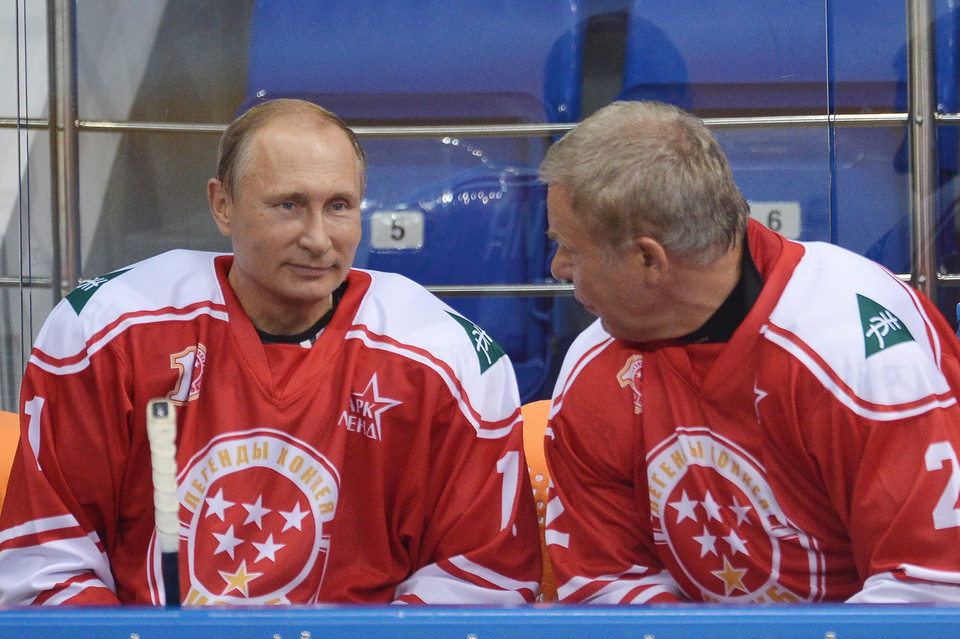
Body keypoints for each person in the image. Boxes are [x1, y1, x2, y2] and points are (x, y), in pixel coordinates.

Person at [0, 99, 541, 605]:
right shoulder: (107, 331)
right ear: (222, 205)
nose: (318, 238)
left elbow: (482, 580)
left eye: (338, 206)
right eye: (288, 205)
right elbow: (45, 567)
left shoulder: (448, 357)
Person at [539, 100, 960, 604]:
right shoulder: (596, 363)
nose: (557, 267)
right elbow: (605, 582)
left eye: (570, 247)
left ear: (649, 258)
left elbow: (931, 591)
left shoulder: (856, 352)